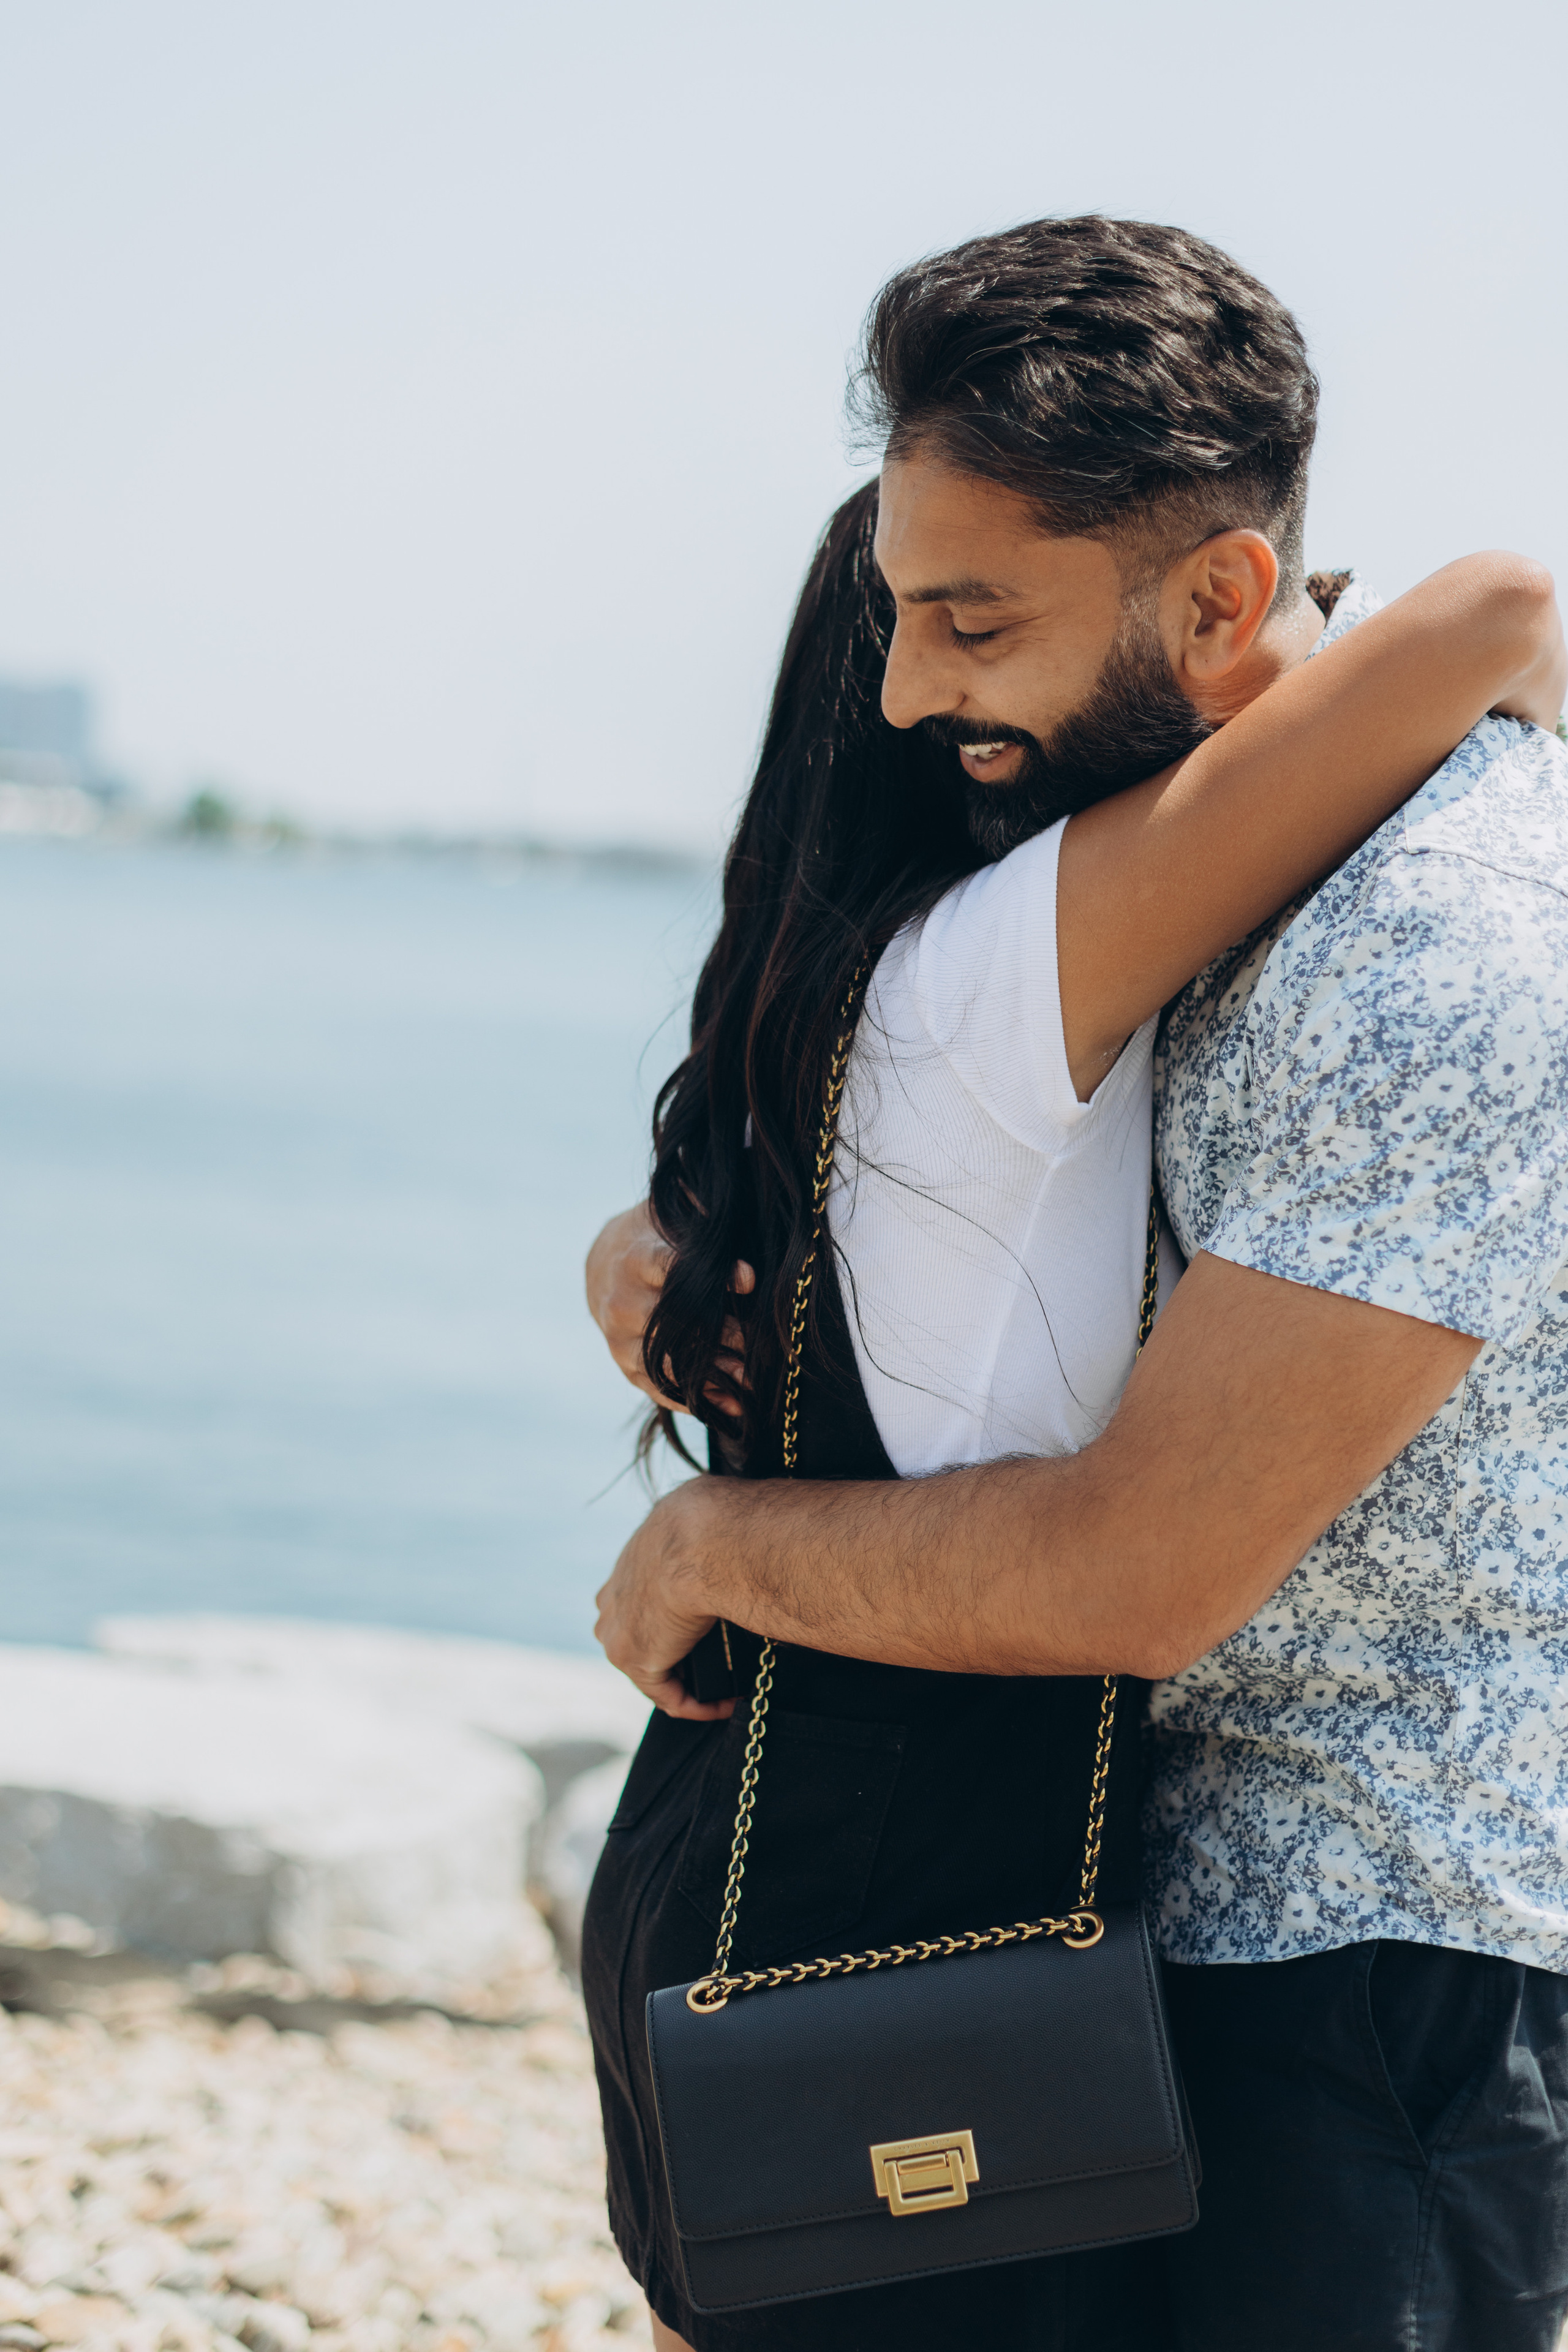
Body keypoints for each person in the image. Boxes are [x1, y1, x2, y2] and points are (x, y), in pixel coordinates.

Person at [586, 216, 1568, 2352]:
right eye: (899, 630)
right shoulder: (1043, 949)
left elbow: (1138, 1567)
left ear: (1218, 593)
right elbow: (1499, 604)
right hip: (1099, 1914)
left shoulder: (1406, 943)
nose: (921, 685)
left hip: (1364, 1953)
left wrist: (707, 1495)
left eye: (962, 621)